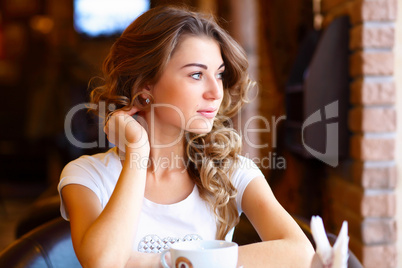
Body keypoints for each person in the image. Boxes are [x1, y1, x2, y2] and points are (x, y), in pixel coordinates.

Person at [58, 5, 315, 268]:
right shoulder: (87, 176)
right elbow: (103, 263)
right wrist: (137, 149)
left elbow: (300, 253)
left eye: (219, 74)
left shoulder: (231, 172)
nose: (216, 92)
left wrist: (155, 263)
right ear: (146, 85)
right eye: (196, 74)